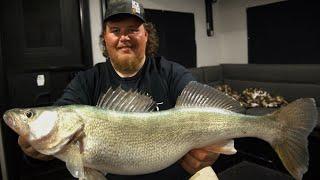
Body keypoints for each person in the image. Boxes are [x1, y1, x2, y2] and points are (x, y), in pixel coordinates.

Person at [17, 0, 220, 179]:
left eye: (133, 29)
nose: (124, 37)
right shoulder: (87, 81)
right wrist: (35, 151)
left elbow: (206, 115)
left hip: (177, 173)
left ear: (146, 35)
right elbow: (61, 116)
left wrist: (212, 149)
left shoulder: (171, 72)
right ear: (105, 37)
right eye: (115, 30)